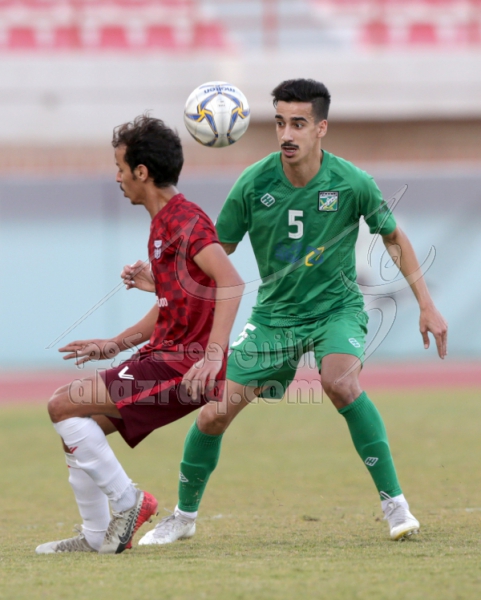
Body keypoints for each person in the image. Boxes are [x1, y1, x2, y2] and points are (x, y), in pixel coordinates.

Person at [134, 79, 448, 546]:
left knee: (340, 382)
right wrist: (163, 281)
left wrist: (427, 304)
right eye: (280, 122)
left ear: (321, 128)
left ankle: (395, 504)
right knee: (212, 415)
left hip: (336, 310)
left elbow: (393, 236)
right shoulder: (253, 183)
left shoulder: (351, 182)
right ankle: (183, 517)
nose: (287, 133)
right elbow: (214, 254)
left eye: (298, 123)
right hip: (274, 319)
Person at [35, 115, 244, 554]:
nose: (117, 177)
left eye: (120, 167)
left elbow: (230, 281)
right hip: (163, 356)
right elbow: (175, 304)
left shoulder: (185, 221)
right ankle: (96, 536)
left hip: (184, 366)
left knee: (61, 404)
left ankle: (131, 503)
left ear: (142, 172)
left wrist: (212, 355)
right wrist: (114, 344)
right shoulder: (163, 223)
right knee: (77, 426)